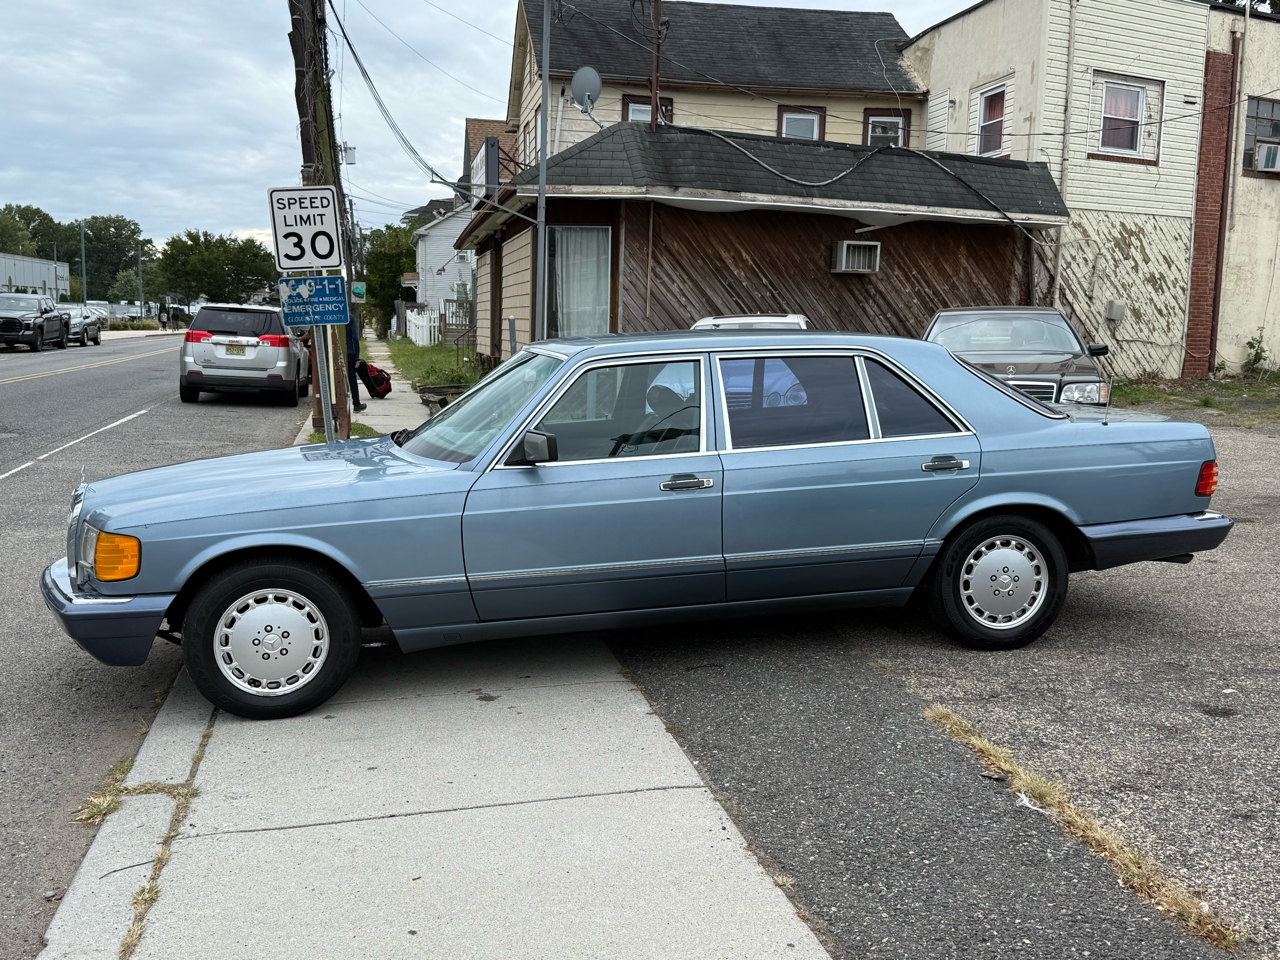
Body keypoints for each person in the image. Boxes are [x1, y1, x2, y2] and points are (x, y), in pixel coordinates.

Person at [347, 306, 365, 412]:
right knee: (352, 379)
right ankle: (356, 403)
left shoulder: (329, 317)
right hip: (349, 352)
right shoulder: (350, 318)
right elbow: (354, 338)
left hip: (333, 352)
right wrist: (357, 357)